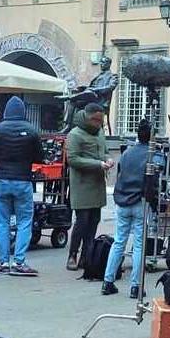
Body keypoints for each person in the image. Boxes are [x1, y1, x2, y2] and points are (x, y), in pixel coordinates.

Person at [0, 96, 43, 277]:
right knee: (24, 222)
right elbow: (39, 157)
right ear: (23, 112)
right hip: (23, 180)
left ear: (6, 112)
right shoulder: (32, 131)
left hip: (0, 181)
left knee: (2, 222)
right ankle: (19, 262)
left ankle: (3, 262)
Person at [102, 120, 152, 298]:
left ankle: (107, 281)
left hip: (122, 201)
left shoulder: (127, 153)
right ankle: (136, 286)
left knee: (119, 242)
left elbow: (120, 174)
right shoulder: (151, 154)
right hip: (139, 201)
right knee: (138, 245)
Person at [66, 103, 114, 271]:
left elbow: (105, 151)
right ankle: (72, 255)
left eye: (101, 120)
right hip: (82, 185)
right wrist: (98, 164)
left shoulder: (100, 133)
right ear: (87, 116)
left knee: (94, 220)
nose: (98, 123)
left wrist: (108, 159)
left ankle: (86, 257)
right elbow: (72, 159)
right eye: (95, 120)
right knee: (82, 221)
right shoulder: (75, 134)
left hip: (97, 183)